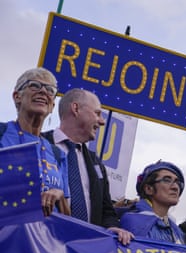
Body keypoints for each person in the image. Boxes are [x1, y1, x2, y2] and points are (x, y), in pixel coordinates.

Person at [43, 88, 133, 245]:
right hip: (44, 246)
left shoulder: (96, 163)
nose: (102, 121)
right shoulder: (39, 145)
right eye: (97, 113)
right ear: (76, 109)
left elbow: (107, 211)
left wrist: (112, 227)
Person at [0, 67, 69, 217]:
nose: (43, 91)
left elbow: (67, 218)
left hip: (44, 238)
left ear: (52, 106)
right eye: (35, 85)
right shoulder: (2, 133)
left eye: (50, 90)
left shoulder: (58, 154)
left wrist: (60, 196)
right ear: (17, 96)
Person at [120, 160, 186, 244]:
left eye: (177, 182)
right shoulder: (134, 222)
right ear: (148, 189)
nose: (175, 187)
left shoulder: (177, 230)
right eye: (167, 180)